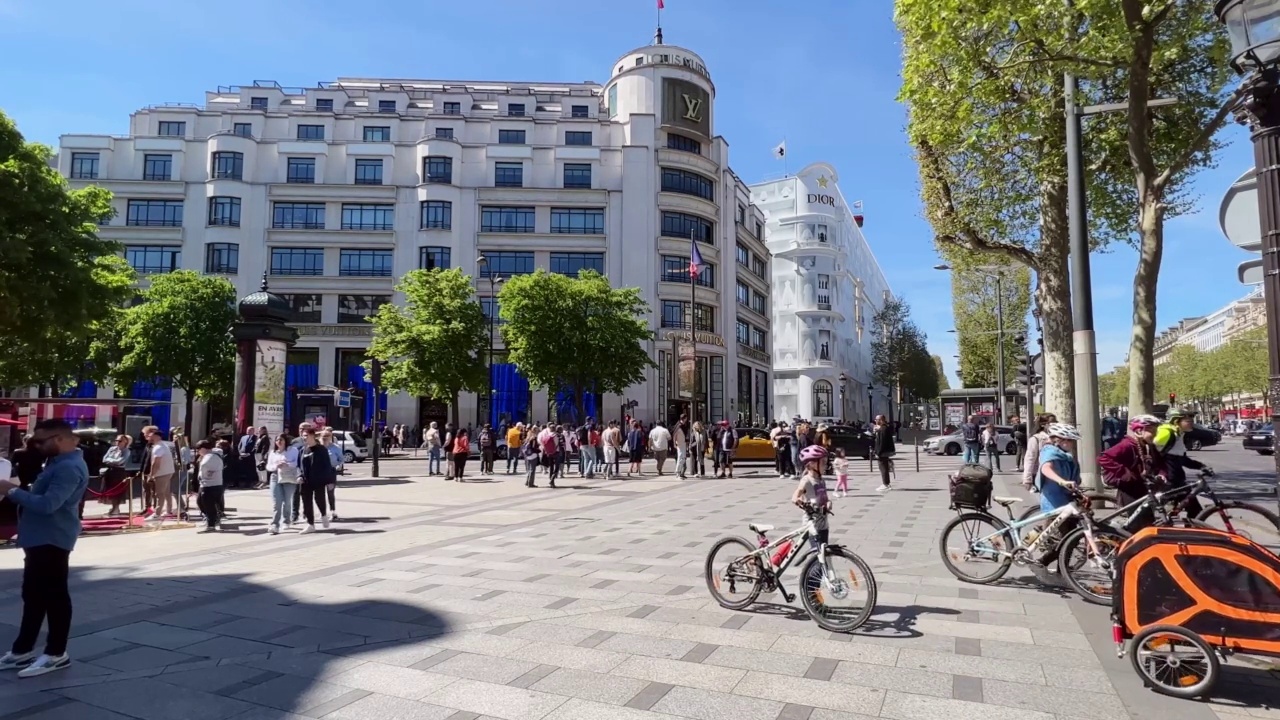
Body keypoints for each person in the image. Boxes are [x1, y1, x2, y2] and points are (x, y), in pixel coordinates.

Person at [0, 419, 89, 678]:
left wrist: (12, 491)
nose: (36, 446)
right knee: (34, 595)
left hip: (52, 539)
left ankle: (55, 653)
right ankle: (22, 650)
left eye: (41, 441)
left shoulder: (68, 467)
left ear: (59, 439)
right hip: (40, 539)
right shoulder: (58, 462)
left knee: (54, 597)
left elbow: (49, 505)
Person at [1099, 414, 1169, 532]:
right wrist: (1124, 472)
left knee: (1147, 520)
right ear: (1139, 431)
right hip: (1129, 489)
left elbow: (1160, 463)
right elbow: (1104, 458)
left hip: (1143, 487)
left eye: (1156, 430)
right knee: (1137, 522)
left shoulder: (1148, 446)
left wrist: (1162, 474)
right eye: (1152, 430)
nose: (1155, 434)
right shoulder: (1127, 445)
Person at [1031, 423, 1083, 566]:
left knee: (1072, 537)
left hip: (1067, 501)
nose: (1072, 444)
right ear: (1058, 440)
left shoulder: (1066, 456)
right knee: (1058, 539)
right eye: (1070, 440)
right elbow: (1046, 468)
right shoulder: (1049, 451)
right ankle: (1041, 563)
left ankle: (1063, 570)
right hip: (1054, 501)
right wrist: (1061, 481)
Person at [1154, 408, 1210, 517]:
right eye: (1187, 421)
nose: (1191, 424)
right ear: (1176, 421)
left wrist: (1200, 466)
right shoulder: (1168, 433)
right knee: (1193, 509)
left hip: (1177, 479)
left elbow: (1179, 458)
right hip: (1169, 480)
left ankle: (1189, 530)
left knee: (1193, 509)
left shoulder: (1178, 433)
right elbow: (1156, 453)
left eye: (1192, 421)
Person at [790, 445, 832, 550]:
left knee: (823, 552)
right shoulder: (807, 480)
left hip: (823, 524)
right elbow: (798, 491)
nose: (825, 466)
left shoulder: (822, 480)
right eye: (823, 463)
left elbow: (825, 498)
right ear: (812, 464)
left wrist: (828, 503)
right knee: (817, 555)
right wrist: (796, 498)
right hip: (811, 524)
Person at [298, 429, 335, 534]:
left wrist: (329, 481)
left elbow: (327, 465)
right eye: (303, 436)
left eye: (306, 435)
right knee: (306, 502)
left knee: (319, 499)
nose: (304, 437)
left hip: (318, 479)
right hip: (305, 481)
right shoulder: (303, 450)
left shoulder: (321, 449)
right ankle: (311, 524)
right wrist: (299, 476)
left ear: (312, 436)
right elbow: (299, 466)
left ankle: (323, 514)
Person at [265, 433, 299, 534]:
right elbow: (268, 466)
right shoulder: (273, 452)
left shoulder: (292, 450)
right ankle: (275, 524)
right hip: (275, 477)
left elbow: (296, 463)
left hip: (289, 477)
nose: (279, 442)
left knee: (287, 501)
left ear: (285, 441)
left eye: (281, 440)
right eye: (277, 440)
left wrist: (286, 464)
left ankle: (286, 520)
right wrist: (276, 466)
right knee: (277, 502)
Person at [143, 426, 176, 521]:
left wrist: (151, 475)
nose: (148, 436)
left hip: (162, 473)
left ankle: (157, 514)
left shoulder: (158, 447)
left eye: (151, 435)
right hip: (168, 471)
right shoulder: (162, 445)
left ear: (157, 436)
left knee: (159, 494)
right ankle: (168, 510)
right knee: (166, 492)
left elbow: (156, 463)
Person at [193, 440, 224, 532]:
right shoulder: (207, 457)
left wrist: (206, 476)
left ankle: (211, 524)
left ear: (203, 448)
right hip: (206, 484)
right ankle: (211, 519)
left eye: (198, 450)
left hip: (211, 484)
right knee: (200, 502)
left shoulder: (211, 457)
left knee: (208, 505)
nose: (198, 452)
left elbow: (209, 471)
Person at [1021, 413, 1057, 491]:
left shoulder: (1059, 438)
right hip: (1040, 475)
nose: (1055, 425)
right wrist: (1027, 479)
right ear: (1043, 425)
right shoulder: (1036, 439)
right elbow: (1029, 459)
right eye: (1052, 423)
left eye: (1056, 422)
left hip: (1057, 474)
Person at [321, 430, 342, 521]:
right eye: (324, 436)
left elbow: (341, 459)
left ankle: (332, 511)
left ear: (331, 437)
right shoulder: (318, 447)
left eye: (328, 436)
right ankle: (323, 512)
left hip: (331, 471)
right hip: (320, 472)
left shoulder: (335, 447)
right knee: (320, 493)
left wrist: (338, 466)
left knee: (330, 492)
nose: (325, 438)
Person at [871, 414, 896, 491]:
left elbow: (881, 442)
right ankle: (886, 483)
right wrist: (876, 431)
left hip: (883, 452)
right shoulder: (883, 428)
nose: (875, 421)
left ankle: (885, 484)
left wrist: (878, 452)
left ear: (881, 420)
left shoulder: (883, 429)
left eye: (876, 419)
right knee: (884, 467)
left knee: (883, 468)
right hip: (884, 451)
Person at [673, 414, 690, 480]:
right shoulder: (679, 426)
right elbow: (674, 435)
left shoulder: (682, 426)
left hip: (683, 443)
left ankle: (679, 472)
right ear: (684, 418)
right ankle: (678, 473)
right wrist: (674, 443)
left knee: (683, 458)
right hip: (680, 444)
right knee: (680, 458)